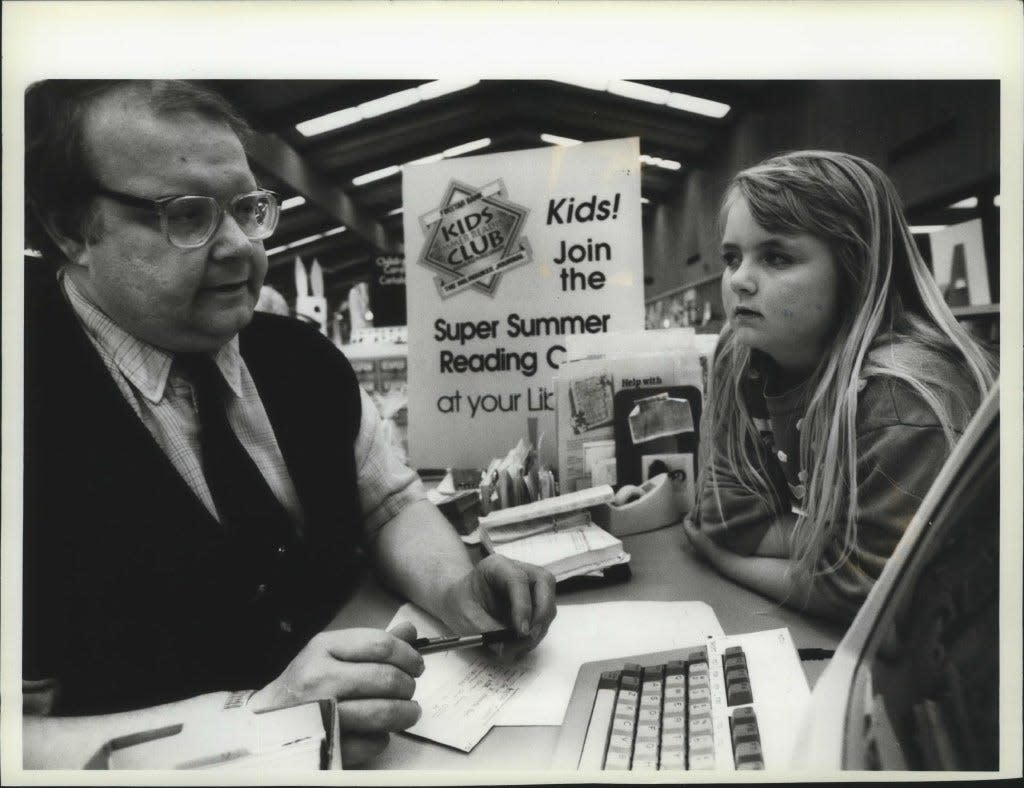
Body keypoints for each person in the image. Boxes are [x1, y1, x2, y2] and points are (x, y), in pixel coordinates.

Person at [21, 80, 556, 767]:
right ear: (69, 227)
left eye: (247, 209)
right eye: (188, 215)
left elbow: (389, 506)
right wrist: (256, 724)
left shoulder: (301, 359)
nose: (241, 247)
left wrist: (456, 589)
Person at [683, 150, 997, 623]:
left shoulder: (903, 397)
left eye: (776, 257)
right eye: (732, 258)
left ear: (855, 267)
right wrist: (832, 539)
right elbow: (725, 513)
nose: (739, 281)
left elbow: (870, 592)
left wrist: (722, 557)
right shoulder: (743, 353)